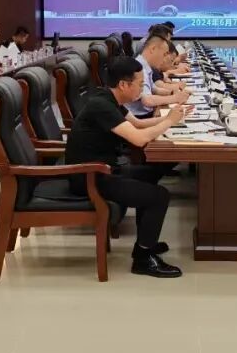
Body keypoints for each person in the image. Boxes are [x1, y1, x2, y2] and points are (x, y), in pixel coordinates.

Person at [64, 56, 190, 278]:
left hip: (103, 168)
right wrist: (168, 121)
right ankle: (143, 259)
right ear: (123, 84)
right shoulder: (102, 106)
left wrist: (173, 118)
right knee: (159, 196)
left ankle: (146, 242)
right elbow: (139, 139)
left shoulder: (109, 98)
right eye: (140, 84)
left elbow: (138, 124)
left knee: (151, 174)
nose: (142, 89)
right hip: (90, 176)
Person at [128, 35, 191, 118]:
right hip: (139, 118)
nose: (164, 59)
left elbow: (155, 89)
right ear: (153, 49)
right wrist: (175, 98)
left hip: (147, 114)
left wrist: (172, 92)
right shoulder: (139, 67)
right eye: (164, 54)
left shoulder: (146, 66)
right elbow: (148, 100)